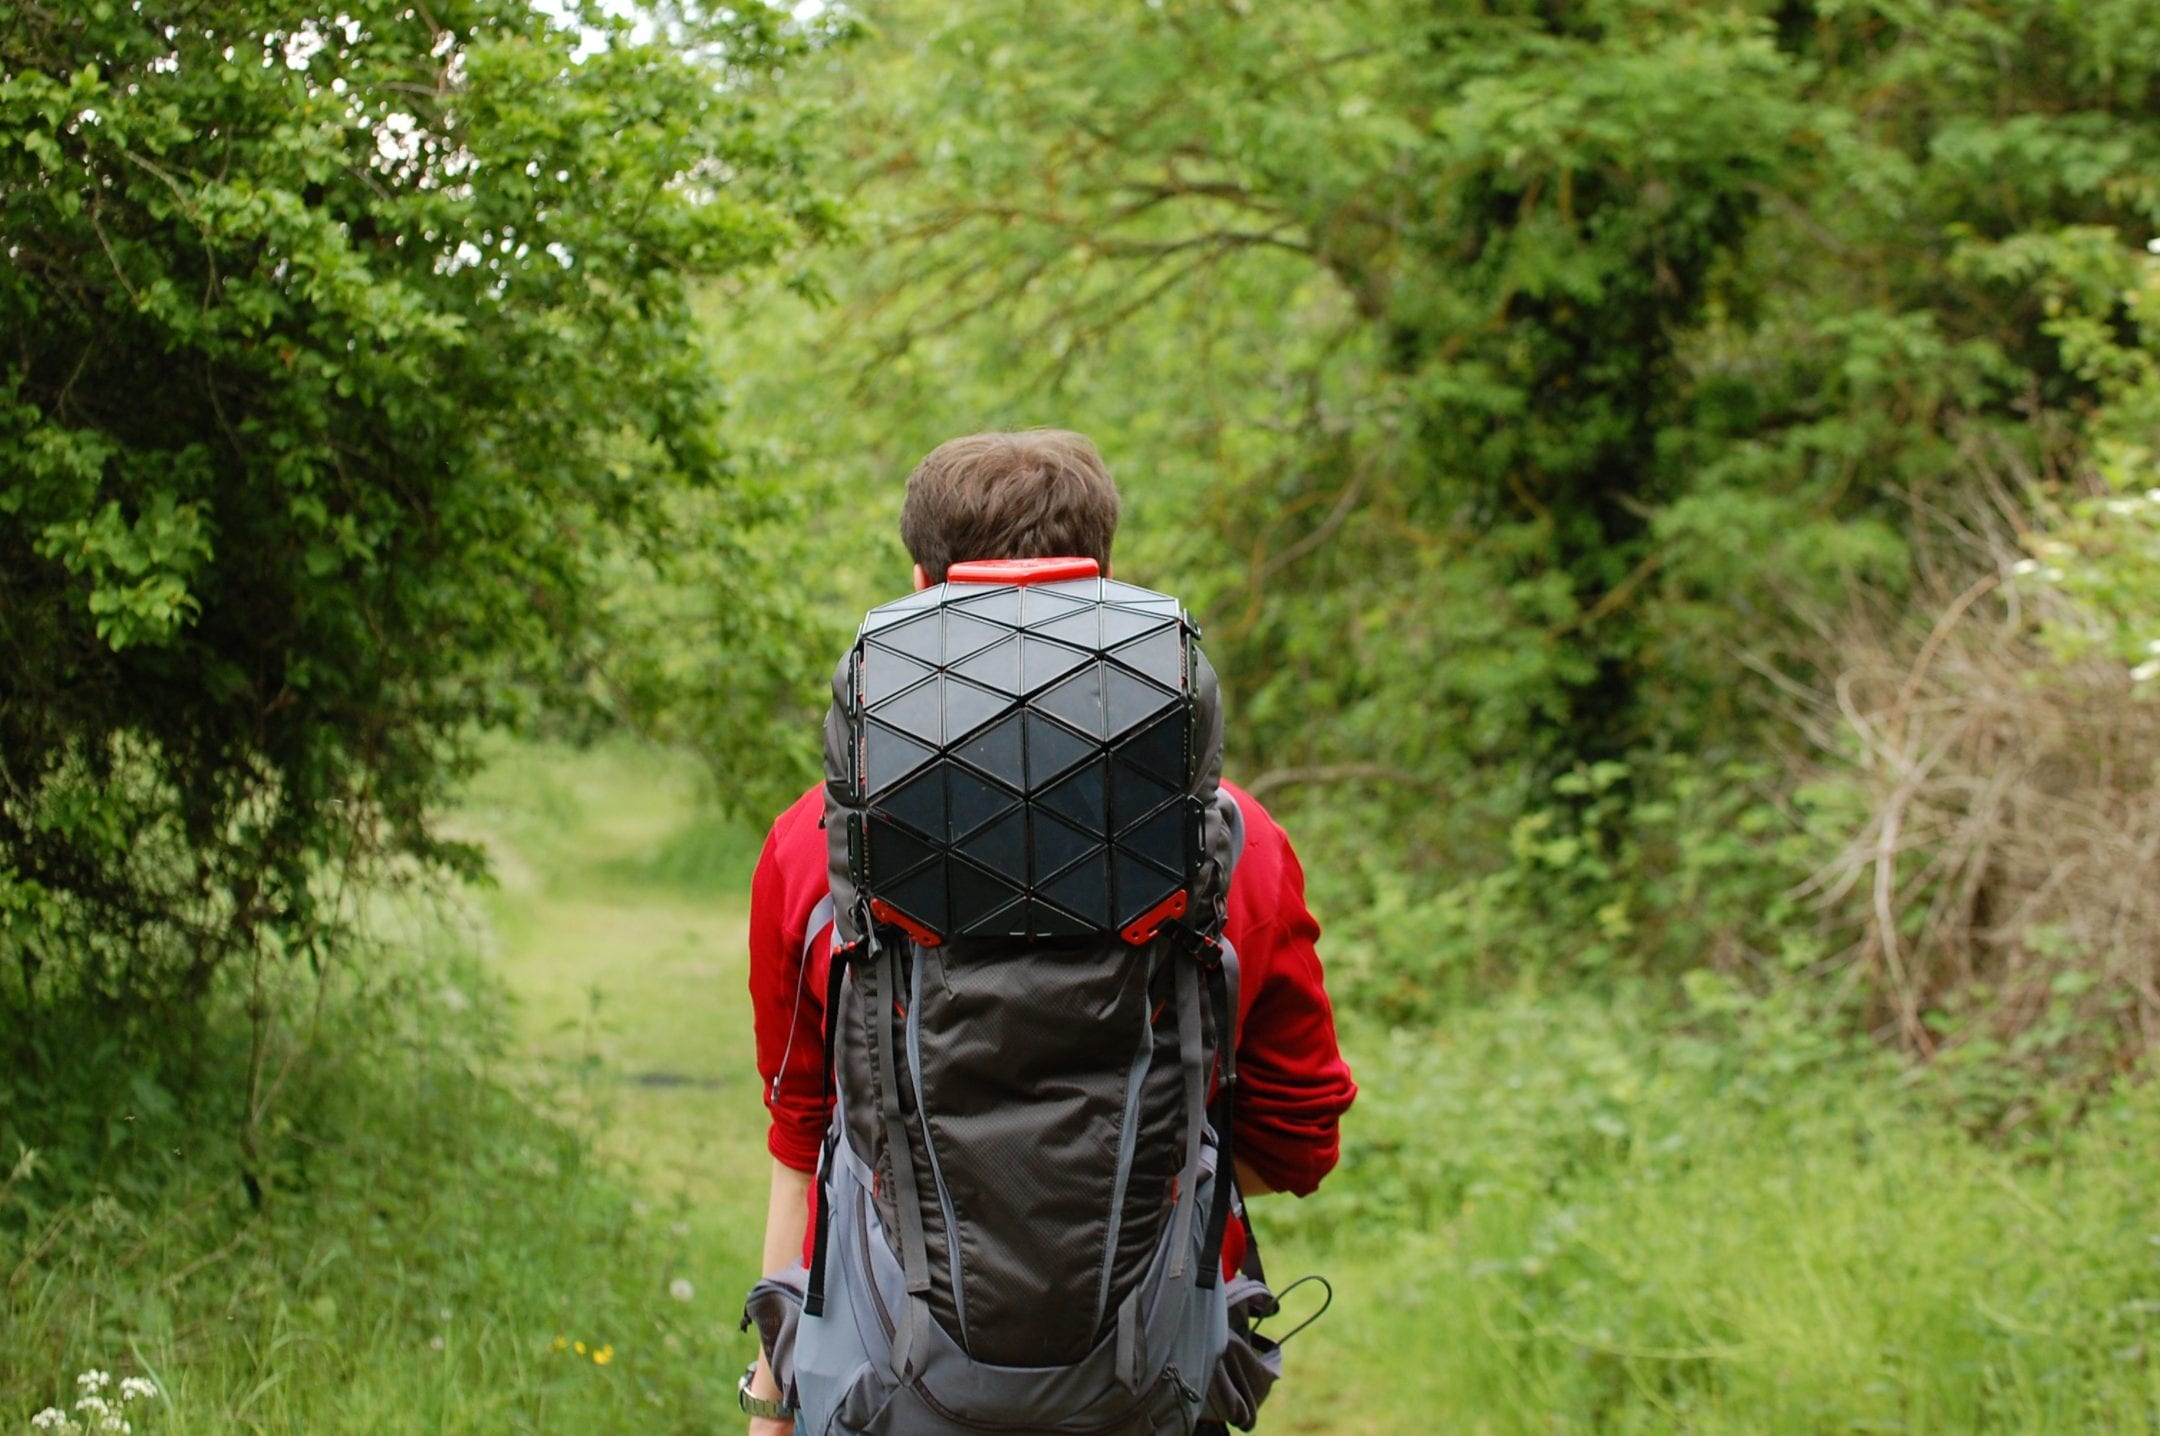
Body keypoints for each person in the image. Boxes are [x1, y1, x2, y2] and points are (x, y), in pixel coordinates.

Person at [740, 429, 1357, 1432]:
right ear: (1103, 586)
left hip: (881, 1385)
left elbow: (805, 1134)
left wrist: (772, 1398)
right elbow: (1300, 1132)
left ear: (921, 582)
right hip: (1148, 1384)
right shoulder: (1236, 843)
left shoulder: (815, 847)